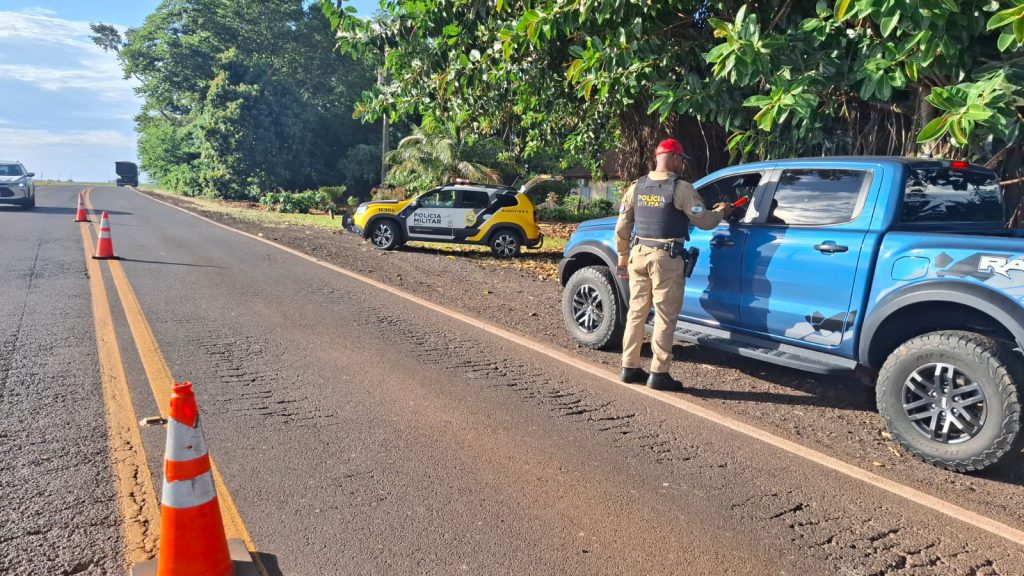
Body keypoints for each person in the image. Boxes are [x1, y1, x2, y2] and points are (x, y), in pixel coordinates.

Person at [615, 138, 733, 391]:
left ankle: (629, 366)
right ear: (675, 158)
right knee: (665, 317)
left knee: (636, 313)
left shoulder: (636, 187)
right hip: (665, 260)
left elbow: (622, 225)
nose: (682, 164)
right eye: (681, 159)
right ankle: (658, 372)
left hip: (638, 255)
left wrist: (622, 257)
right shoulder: (680, 188)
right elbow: (705, 222)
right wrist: (723, 211)